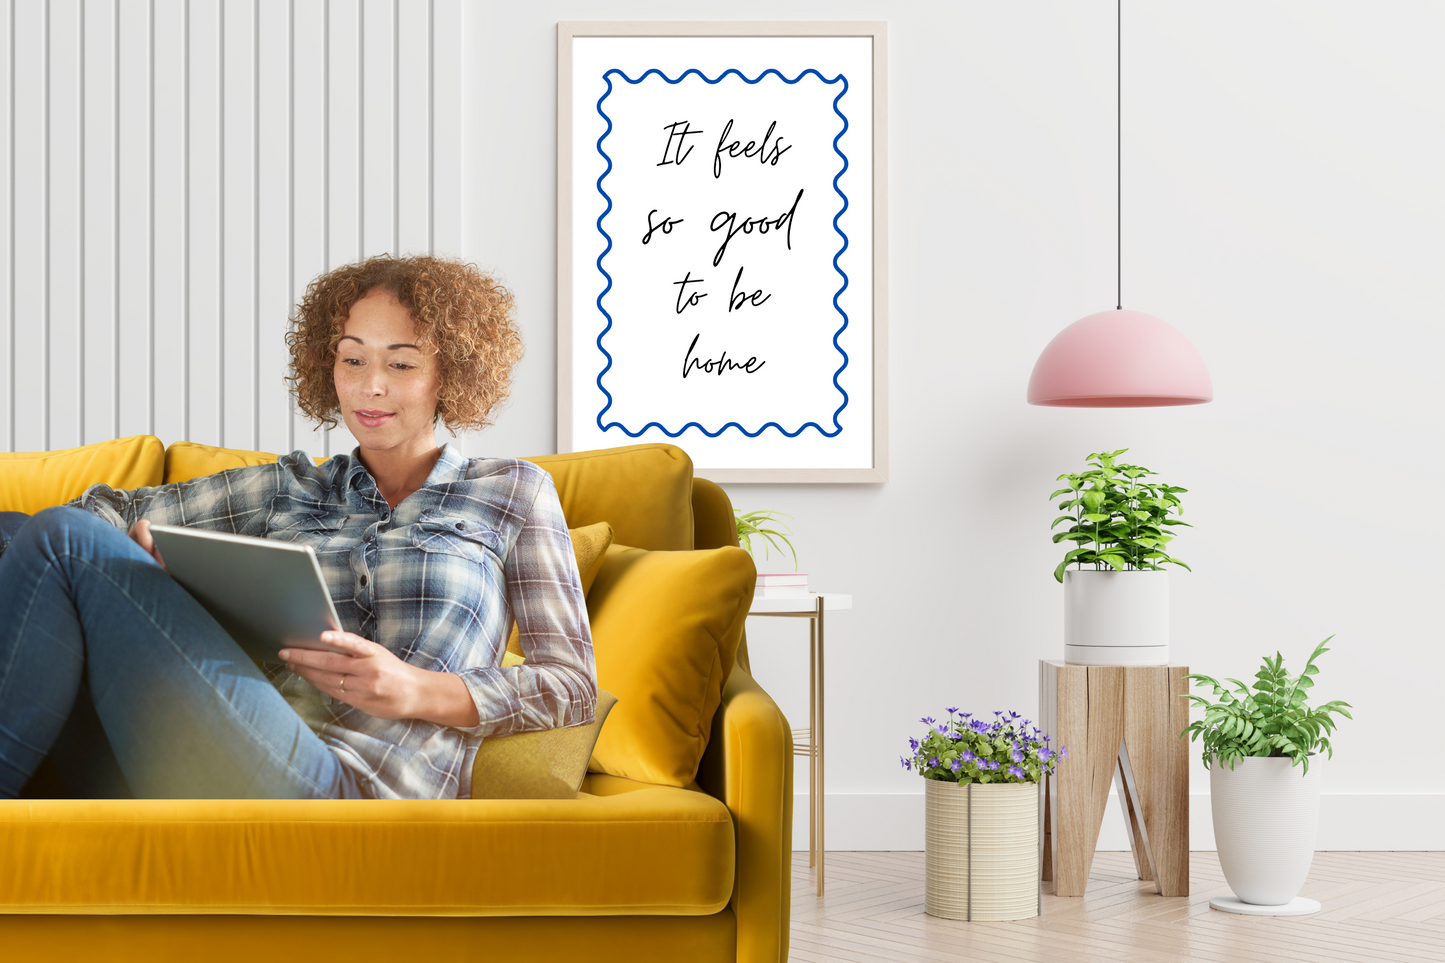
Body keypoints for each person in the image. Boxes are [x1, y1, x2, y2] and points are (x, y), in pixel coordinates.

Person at [0, 254, 596, 801]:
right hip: (220, 746)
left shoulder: (511, 492)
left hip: (355, 790)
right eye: (352, 358)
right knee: (15, 531)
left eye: (402, 363)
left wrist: (415, 689)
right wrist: (135, 559)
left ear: (451, 374)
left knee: (59, 543)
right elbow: (104, 508)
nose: (371, 386)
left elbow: (572, 685)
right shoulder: (292, 488)